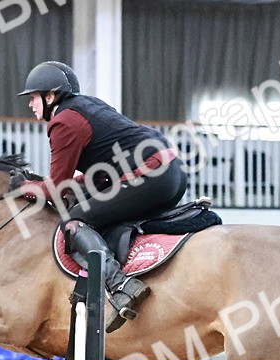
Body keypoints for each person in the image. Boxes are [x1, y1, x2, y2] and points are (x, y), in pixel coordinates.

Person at [18, 61, 188, 332]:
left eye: (33, 97)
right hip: (172, 175)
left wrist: (23, 187)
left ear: (50, 97)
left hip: (151, 177)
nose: (30, 104)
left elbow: (56, 189)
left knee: (74, 221)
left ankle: (121, 285)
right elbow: (99, 175)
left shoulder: (64, 121)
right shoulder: (88, 106)